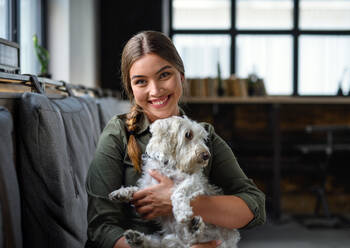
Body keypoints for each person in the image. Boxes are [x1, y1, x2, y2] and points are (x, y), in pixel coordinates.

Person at [85, 30, 266, 248]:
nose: (155, 90)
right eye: (141, 81)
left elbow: (254, 207)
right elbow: (101, 226)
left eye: (164, 75)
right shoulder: (119, 133)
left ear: (181, 76)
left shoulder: (205, 136)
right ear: (131, 88)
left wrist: (184, 201)